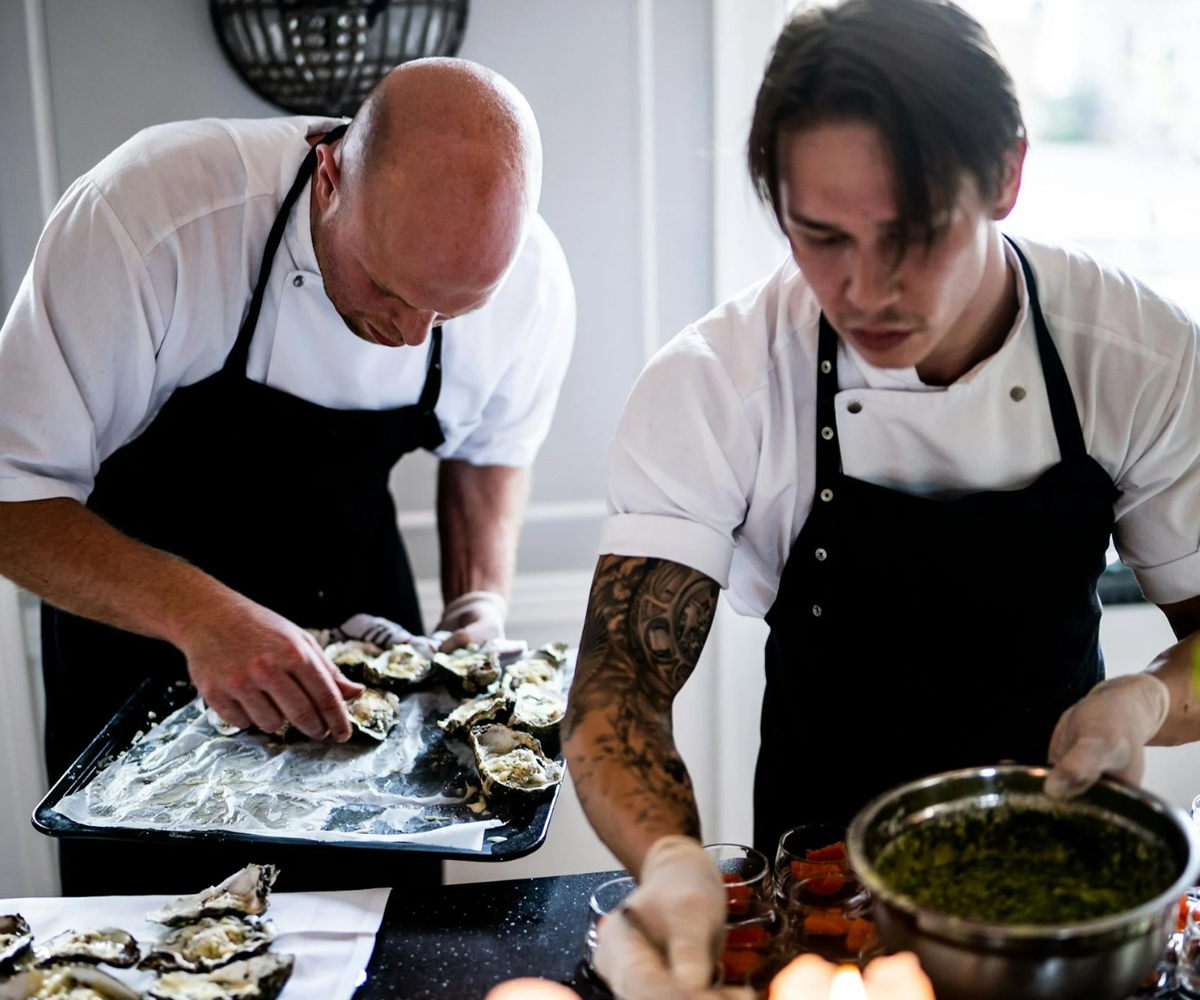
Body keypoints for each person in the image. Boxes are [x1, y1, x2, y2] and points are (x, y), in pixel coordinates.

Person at [563, 0, 1200, 995]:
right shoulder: (719, 382)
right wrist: (673, 861)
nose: (865, 289)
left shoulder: (1134, 355)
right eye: (821, 237)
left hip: (1055, 908)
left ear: (1006, 176)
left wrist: (1148, 696)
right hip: (821, 905)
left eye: (912, 234)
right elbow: (618, 689)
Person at [0, 57, 575, 894]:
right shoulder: (150, 219)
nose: (412, 335)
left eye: (453, 310)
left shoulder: (532, 281)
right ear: (329, 175)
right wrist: (202, 617)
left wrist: (478, 602)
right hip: (140, 640)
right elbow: (11, 494)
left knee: (387, 931)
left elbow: (488, 452)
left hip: (357, 612)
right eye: (387, 288)